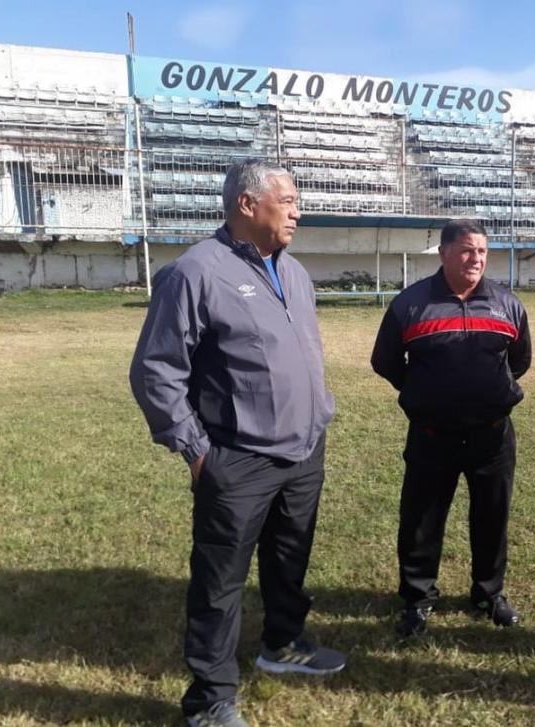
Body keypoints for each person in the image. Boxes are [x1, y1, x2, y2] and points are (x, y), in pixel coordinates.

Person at [130, 159, 345, 727]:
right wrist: (198, 451)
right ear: (248, 205)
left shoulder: (294, 271)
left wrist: (318, 413)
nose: (299, 210)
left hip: (302, 450)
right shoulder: (196, 271)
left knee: (288, 559)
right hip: (236, 458)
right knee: (219, 581)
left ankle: (282, 645)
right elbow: (157, 369)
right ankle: (210, 699)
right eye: (289, 200)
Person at [371, 219, 531, 637]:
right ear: (443, 253)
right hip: (431, 436)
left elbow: (520, 361)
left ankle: (488, 593)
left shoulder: (506, 303)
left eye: (481, 250)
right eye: (466, 250)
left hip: (492, 435)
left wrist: (487, 393)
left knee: (492, 516)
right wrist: (426, 393)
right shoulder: (410, 304)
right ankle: (418, 597)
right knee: (422, 519)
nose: (475, 258)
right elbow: (385, 362)